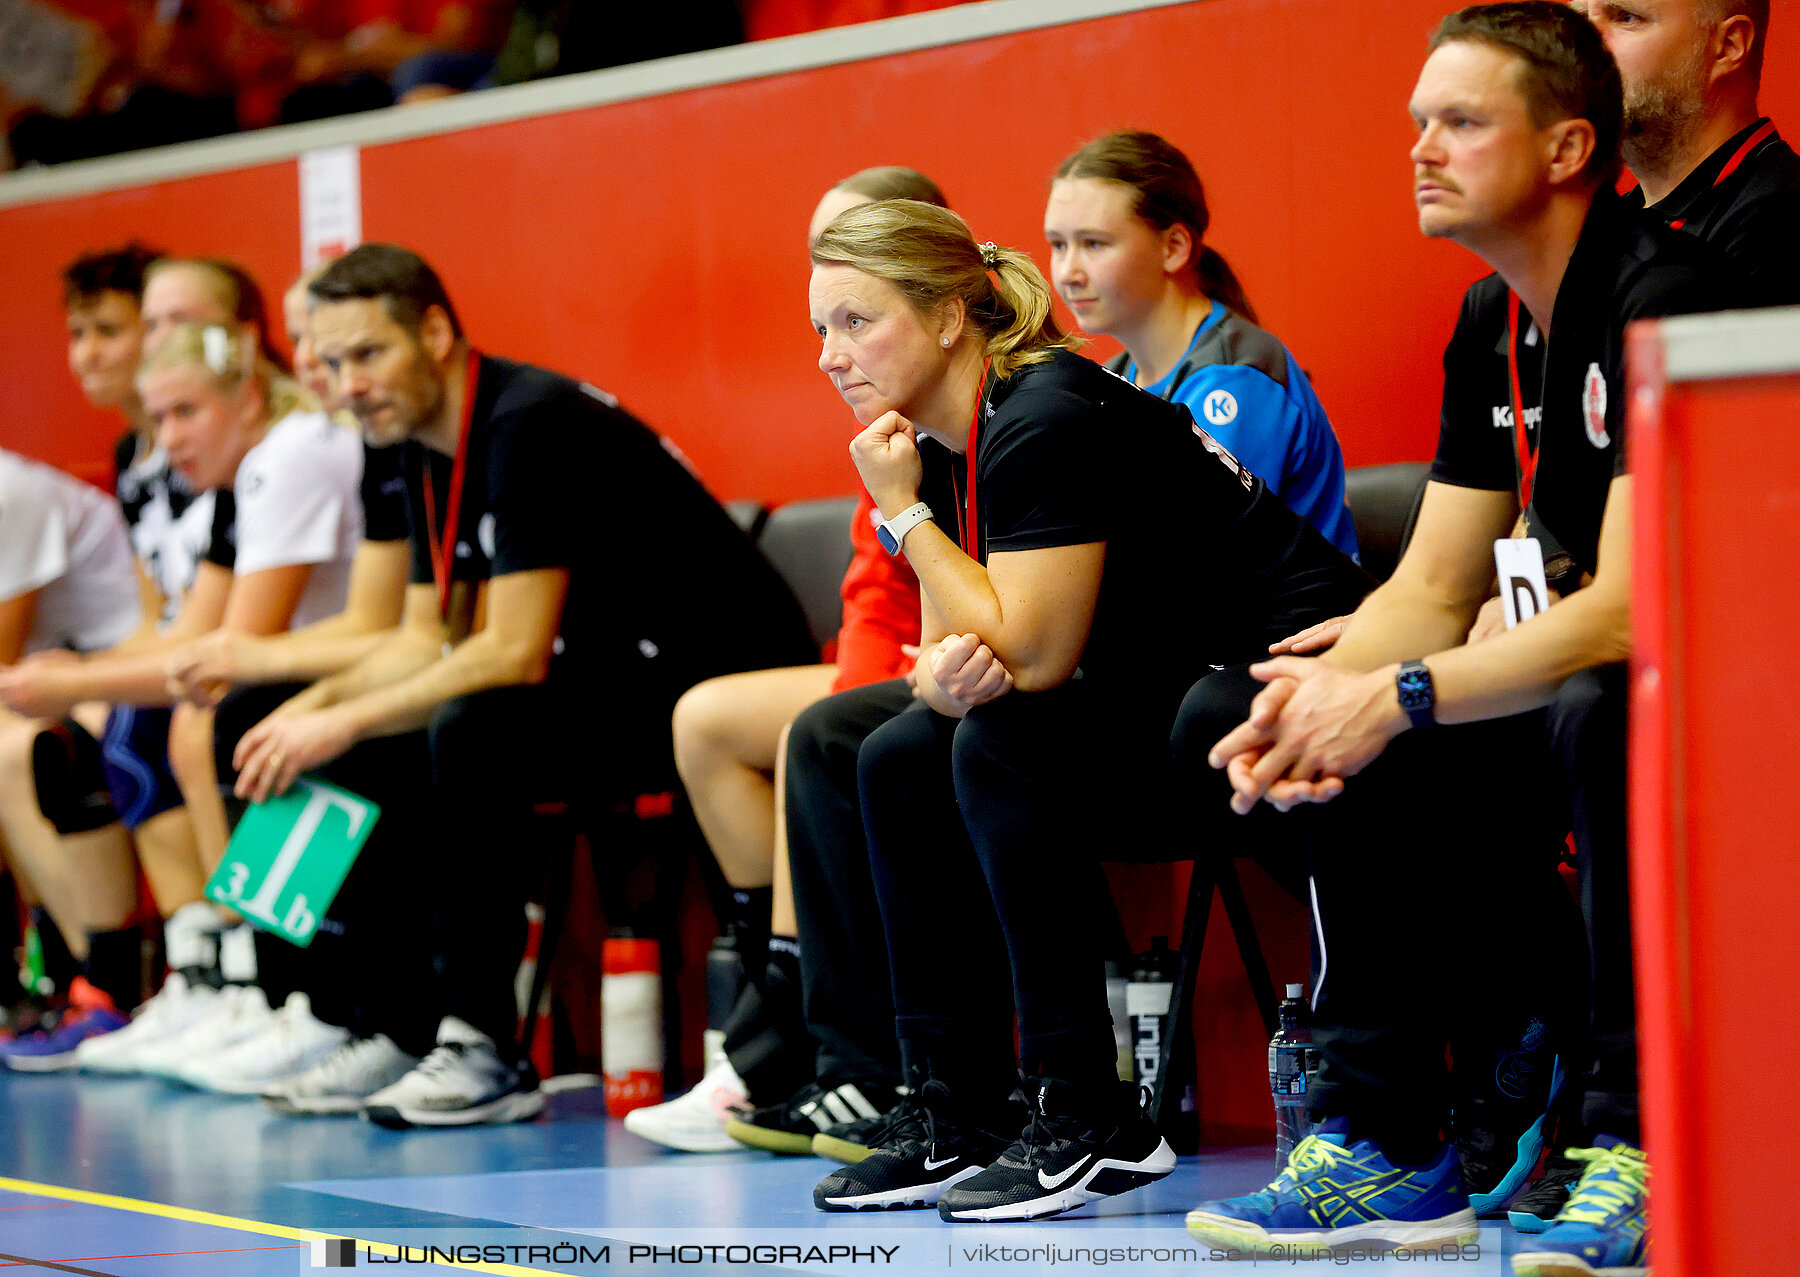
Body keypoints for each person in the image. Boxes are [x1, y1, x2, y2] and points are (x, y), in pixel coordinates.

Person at [1183, 7, 1721, 1272]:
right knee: (1240, 710)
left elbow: (1648, 603)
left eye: (1462, 122)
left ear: (1567, 146)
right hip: (1569, 670)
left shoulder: (1666, 286)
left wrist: (1402, 692)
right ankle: (1390, 1144)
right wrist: (1318, 691)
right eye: (1419, 121)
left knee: (1566, 701)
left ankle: (1629, 1132)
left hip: (1697, 687)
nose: (1423, 148)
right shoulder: (1493, 317)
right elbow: (1430, 583)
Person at [804, 200, 1368, 1221]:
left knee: (1001, 743)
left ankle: (1088, 1112)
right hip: (1162, 690)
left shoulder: (1043, 410)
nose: (829, 356)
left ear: (945, 316)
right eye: (820, 330)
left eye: (855, 322)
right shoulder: (944, 436)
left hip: (1279, 680)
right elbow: (947, 659)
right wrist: (940, 664)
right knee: (896, 752)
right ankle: (958, 1111)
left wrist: (903, 514)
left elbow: (1032, 651)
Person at [224, 243, 814, 1126]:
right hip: (605, 682)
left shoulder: (524, 420)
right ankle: (383, 1023)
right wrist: (308, 713)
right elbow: (425, 635)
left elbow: (512, 652)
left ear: (433, 331)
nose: (348, 383)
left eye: (368, 354)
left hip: (709, 685)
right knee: (279, 718)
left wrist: (337, 722)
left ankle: (480, 1045)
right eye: (334, 361)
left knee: (466, 727)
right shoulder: (421, 443)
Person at [627, 167, 935, 1157]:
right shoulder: (872, 397)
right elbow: (870, 587)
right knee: (705, 718)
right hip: (891, 653)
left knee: (822, 737)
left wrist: (856, 696)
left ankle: (777, 1040)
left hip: (959, 662)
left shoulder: (946, 390)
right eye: (818, 263)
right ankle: (776, 989)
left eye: (850, 260)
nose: (828, 292)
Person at [0, 318, 364, 1073]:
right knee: (149, 725)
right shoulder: (239, 485)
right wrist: (76, 680)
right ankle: (210, 975)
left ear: (250, 395)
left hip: (345, 671)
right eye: (158, 418)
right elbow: (198, 637)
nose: (168, 439)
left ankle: (277, 986)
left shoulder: (290, 457)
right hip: (295, 668)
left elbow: (229, 652)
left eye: (185, 413)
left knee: (214, 722)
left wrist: (73, 680)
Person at [1046, 130, 1358, 558]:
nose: (1067, 271)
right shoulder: (1114, 380)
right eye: (1058, 245)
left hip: (1294, 623)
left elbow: (1193, 562)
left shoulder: (1238, 376)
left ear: (1173, 247)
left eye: (1093, 244)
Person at [1577, 0, 1799, 305]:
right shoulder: (1601, 226)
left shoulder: (1781, 225)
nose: (1579, 47)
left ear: (1727, 46)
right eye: (1579, 18)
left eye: (1626, 17)